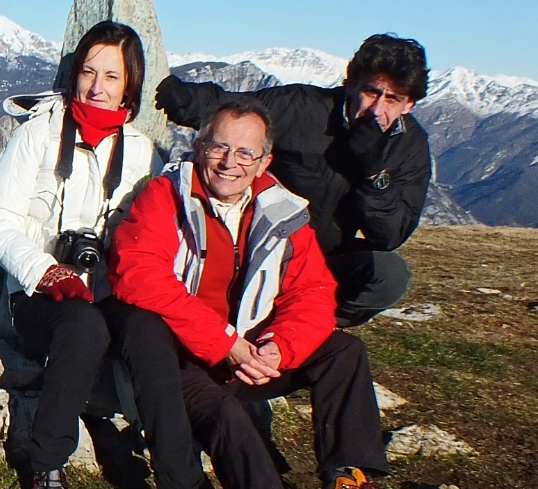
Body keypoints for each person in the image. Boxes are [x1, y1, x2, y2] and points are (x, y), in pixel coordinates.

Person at [107, 100, 415, 489]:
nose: (230, 162)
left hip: (249, 353)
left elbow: (314, 292)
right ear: (200, 147)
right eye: (219, 147)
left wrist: (280, 347)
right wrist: (224, 343)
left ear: (265, 160)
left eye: (245, 152)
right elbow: (138, 273)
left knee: (343, 350)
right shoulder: (166, 196)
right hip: (182, 362)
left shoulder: (281, 210)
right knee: (228, 419)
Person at [0, 21, 161, 489]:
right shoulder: (37, 133)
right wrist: (45, 269)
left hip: (110, 288)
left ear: (131, 85)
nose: (97, 86)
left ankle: (175, 479)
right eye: (88, 71)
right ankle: (49, 466)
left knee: (147, 329)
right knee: (83, 327)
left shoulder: (144, 153)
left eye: (112, 75)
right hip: (39, 294)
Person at [155, 34, 432, 327]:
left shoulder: (410, 146)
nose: (378, 109)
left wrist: (374, 174)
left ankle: (316, 326)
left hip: (326, 257)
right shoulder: (303, 108)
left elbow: (390, 236)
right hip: (262, 245)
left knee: (389, 274)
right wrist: (186, 100)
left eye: (392, 99)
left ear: (409, 104)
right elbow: (240, 112)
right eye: (371, 92)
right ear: (351, 84)